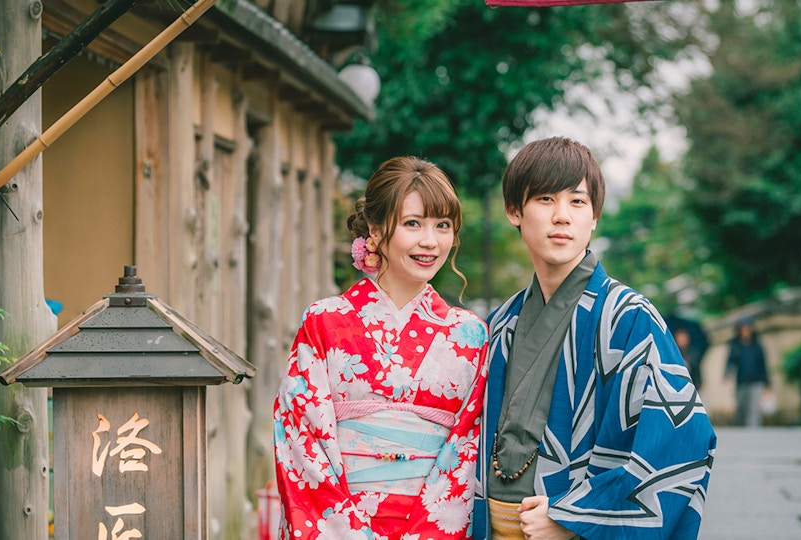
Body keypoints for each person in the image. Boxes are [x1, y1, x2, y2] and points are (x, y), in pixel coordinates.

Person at [473, 137, 716, 540]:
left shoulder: (627, 318)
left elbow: (684, 436)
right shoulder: (500, 323)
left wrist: (577, 517)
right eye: (546, 200)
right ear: (514, 211)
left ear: (595, 217)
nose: (562, 217)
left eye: (577, 202)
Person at [273, 156, 490, 539]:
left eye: (442, 226)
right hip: (338, 522)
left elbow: (469, 446)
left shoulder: (470, 334)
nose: (430, 241)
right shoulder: (324, 321)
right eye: (412, 224)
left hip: (434, 526)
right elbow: (300, 438)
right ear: (375, 229)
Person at [725, 316, 770, 426]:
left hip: (756, 381)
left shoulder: (757, 346)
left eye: (748, 328)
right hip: (741, 381)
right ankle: (741, 428)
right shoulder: (736, 345)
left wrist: (767, 384)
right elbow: (730, 361)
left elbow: (763, 365)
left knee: (754, 408)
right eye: (743, 328)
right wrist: (727, 374)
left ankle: (754, 430)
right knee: (741, 407)